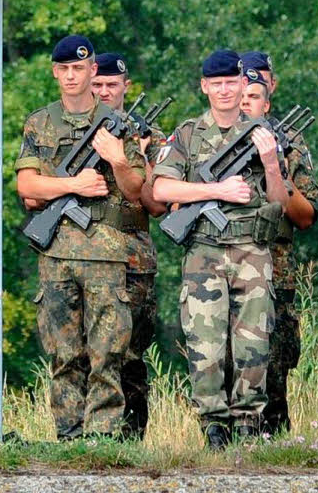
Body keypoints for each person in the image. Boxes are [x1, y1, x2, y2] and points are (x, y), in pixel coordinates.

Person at [151, 49, 288, 448]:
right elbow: (161, 188)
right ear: (205, 86)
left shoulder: (264, 132)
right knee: (204, 344)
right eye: (218, 83)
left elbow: (279, 203)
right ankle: (213, 425)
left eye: (233, 82)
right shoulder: (189, 134)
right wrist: (216, 190)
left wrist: (271, 162)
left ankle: (248, 423)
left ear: (245, 84)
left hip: (252, 250)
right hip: (205, 251)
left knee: (254, 343)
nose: (226, 90)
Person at [16, 36, 144, 440]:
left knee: (107, 352)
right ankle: (69, 436)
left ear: (93, 72)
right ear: (56, 72)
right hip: (56, 255)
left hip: (107, 255)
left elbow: (138, 191)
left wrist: (117, 159)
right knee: (64, 353)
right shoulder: (39, 122)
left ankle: (102, 435)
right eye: (65, 69)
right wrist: (75, 184)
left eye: (80, 69)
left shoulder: (119, 125)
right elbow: (28, 187)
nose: (72, 76)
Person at [238, 64, 318, 432]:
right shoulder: (206, 138)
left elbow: (306, 217)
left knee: (274, 364)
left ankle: (272, 442)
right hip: (226, 265)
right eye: (239, 97)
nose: (244, 104)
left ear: (266, 104)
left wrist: (279, 172)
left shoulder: (290, 144)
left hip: (276, 268)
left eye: (253, 97)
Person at [90, 52, 163, 439]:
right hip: (85, 256)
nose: (104, 91)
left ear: (125, 87)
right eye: (97, 84)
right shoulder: (72, 127)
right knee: (88, 351)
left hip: (132, 259)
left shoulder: (145, 134)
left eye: (111, 85)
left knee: (131, 353)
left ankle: (132, 437)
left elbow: (156, 203)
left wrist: (135, 159)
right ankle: (88, 435)